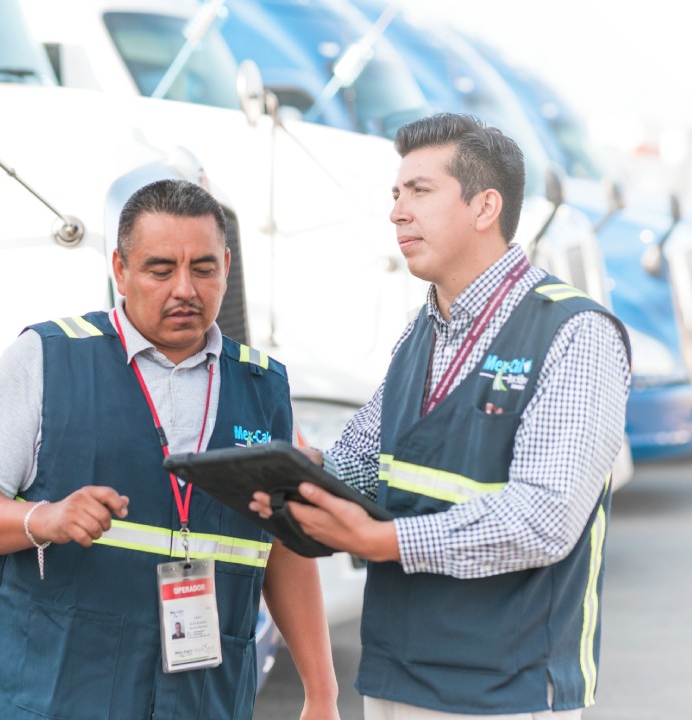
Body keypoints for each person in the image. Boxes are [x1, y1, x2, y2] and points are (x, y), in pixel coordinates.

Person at [252, 113, 631, 719]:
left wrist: (384, 539)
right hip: (394, 675)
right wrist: (279, 471)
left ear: (485, 207)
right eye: (396, 194)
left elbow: (545, 517)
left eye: (420, 191)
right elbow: (358, 465)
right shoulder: (422, 333)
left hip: (503, 690)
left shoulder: (575, 333)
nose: (398, 212)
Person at [0, 179, 339, 720]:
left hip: (203, 701)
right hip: (58, 698)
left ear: (226, 266)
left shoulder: (264, 387)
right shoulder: (45, 358)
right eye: (160, 269)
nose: (185, 289)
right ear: (120, 271)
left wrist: (322, 694)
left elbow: (283, 549)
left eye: (203, 269)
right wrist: (46, 518)